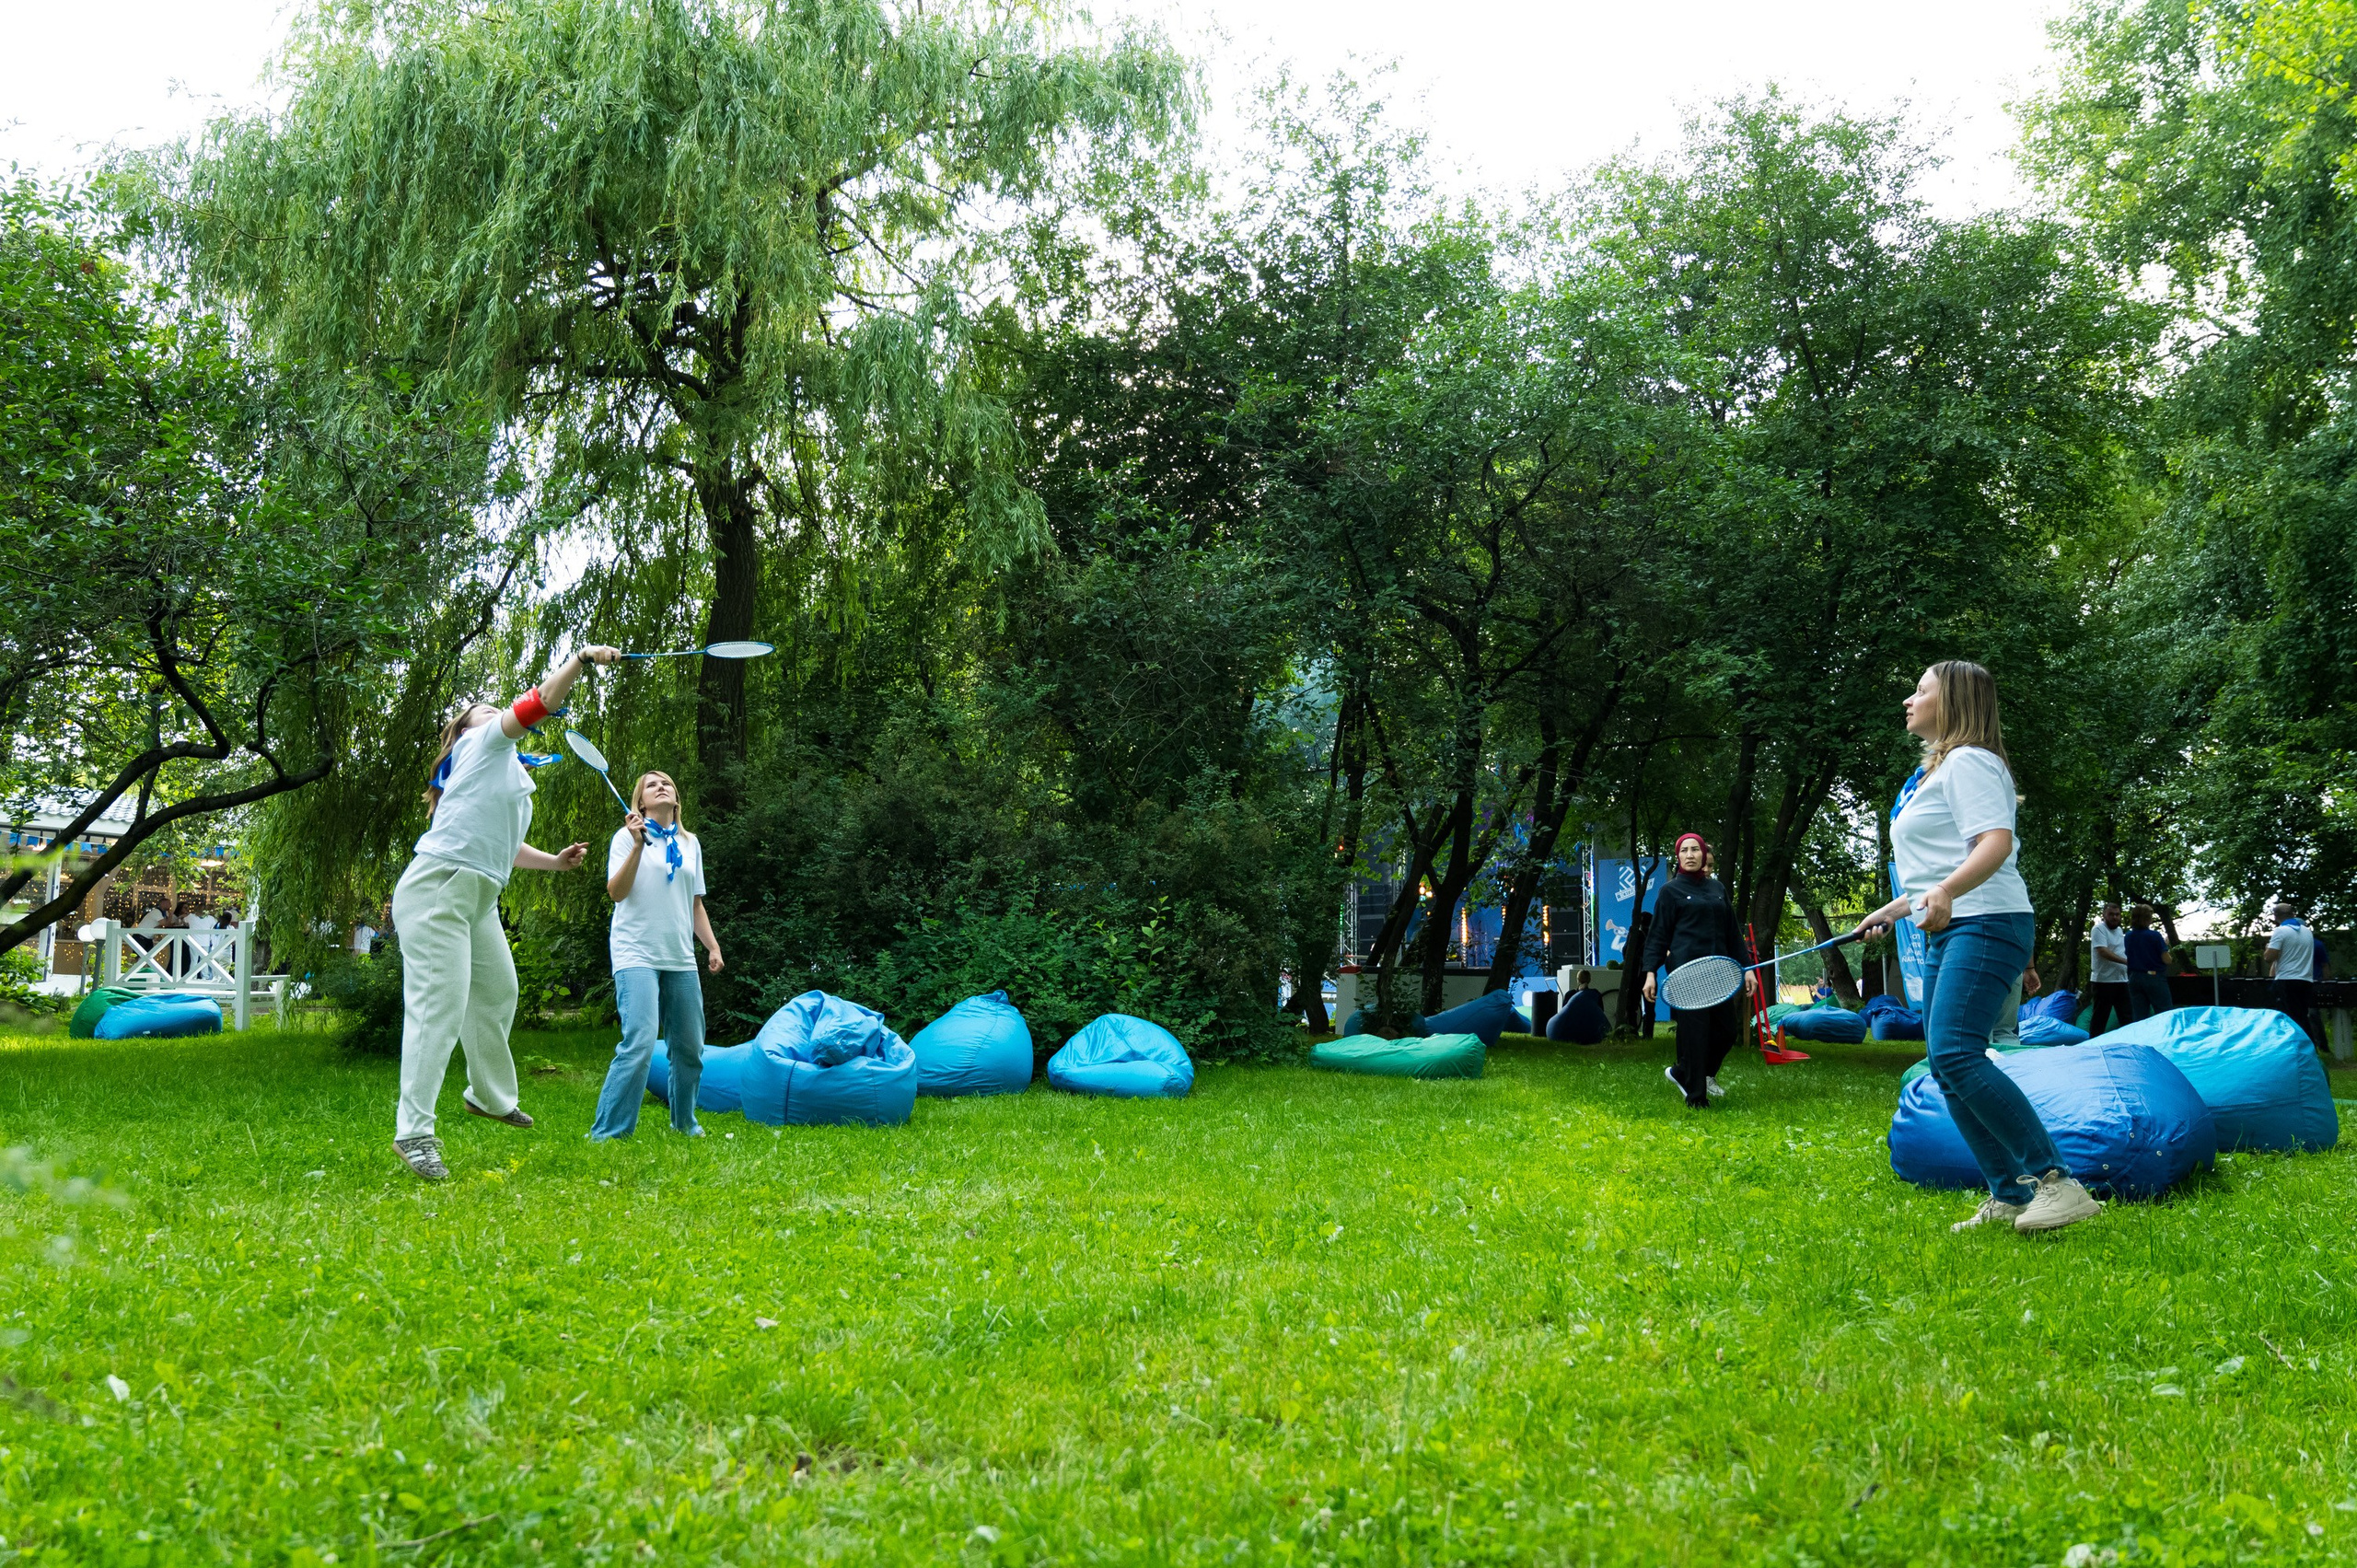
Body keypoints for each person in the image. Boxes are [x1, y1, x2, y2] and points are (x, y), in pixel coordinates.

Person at [1857, 659, 2100, 1235]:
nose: (1907, 701)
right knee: (1946, 1062)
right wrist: (1897, 908)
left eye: (1920, 691)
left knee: (1958, 1053)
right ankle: (2010, 1193)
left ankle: (2056, 1183)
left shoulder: (1970, 762)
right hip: (1958, 922)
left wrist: (1943, 891)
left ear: (1956, 701)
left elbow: (1996, 843)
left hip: (1986, 922)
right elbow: (1939, 867)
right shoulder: (1936, 773)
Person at [389, 646, 620, 1181]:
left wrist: (555, 863)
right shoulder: (482, 742)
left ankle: (488, 1097)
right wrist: (581, 660)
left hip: (478, 896)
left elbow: (509, 847)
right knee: (438, 1009)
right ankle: (414, 1133)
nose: (496, 715)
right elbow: (536, 703)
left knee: (497, 993)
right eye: (486, 712)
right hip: (440, 888)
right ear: (467, 731)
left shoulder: (509, 780)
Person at [589, 770, 726, 1140]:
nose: (661, 786)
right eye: (652, 785)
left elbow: (695, 904)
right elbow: (616, 892)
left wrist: (711, 946)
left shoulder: (690, 842)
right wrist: (637, 845)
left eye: (667, 782)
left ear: (676, 799)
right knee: (641, 1040)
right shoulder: (625, 838)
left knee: (689, 1047)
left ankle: (685, 1123)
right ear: (641, 803)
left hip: (679, 956)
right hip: (636, 953)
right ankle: (608, 1132)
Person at [1642, 832, 1756, 1108]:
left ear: (1704, 855)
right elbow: (1658, 935)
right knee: (1695, 1035)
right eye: (1684, 851)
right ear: (1678, 856)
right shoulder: (1670, 891)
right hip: (1686, 974)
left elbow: (1732, 933)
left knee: (1727, 1032)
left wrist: (1748, 968)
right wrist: (1650, 973)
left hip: (1719, 973)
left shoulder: (1718, 889)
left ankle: (1685, 1073)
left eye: (1695, 850)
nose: (1690, 855)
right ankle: (1696, 1098)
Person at [2265, 901, 2321, 1050]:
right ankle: (2310, 1047)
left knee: (2288, 1017)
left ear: (2275, 916)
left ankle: (2294, 1049)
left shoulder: (2281, 931)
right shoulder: (2307, 931)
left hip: (2286, 979)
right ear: (2293, 914)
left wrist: (2267, 948)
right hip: (2306, 980)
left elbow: (2269, 957)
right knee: (2302, 1016)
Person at [2084, 903, 2130, 1035]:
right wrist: (2126, 962)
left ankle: (2128, 1046)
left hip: (2121, 980)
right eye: (2111, 914)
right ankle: (2093, 1046)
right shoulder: (2098, 929)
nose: (2114, 917)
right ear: (2104, 915)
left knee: (2127, 1017)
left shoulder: (2120, 930)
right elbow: (2102, 951)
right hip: (2103, 981)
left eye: (2117, 914)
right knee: (2100, 1018)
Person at [2124, 905, 2170, 1021]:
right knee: (2165, 1013)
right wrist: (2166, 946)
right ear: (2147, 918)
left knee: (2139, 1015)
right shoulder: (2154, 935)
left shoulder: (2128, 936)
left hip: (2134, 977)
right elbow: (2166, 959)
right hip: (2153, 977)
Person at [1548, 969, 1609, 1045]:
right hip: (1590, 1031)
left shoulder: (1570, 994)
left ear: (1577, 980)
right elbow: (1601, 1011)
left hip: (1568, 1031)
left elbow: (1564, 1013)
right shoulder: (1595, 994)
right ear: (1589, 980)